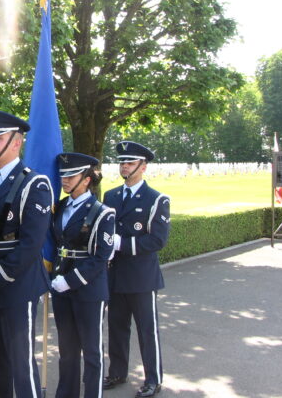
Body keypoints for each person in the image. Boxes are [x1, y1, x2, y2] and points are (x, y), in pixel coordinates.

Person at [0, 110, 53, 398]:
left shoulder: (35, 184)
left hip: (17, 284)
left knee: (21, 362)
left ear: (16, 143)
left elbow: (31, 246)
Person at [102, 141, 170, 398]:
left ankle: (153, 379)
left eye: (130, 163)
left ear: (143, 167)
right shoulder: (111, 196)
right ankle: (118, 372)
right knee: (117, 328)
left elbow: (157, 240)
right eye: (122, 162)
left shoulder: (156, 200)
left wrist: (122, 243)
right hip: (116, 275)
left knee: (147, 330)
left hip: (142, 277)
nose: (124, 167)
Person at [50, 153, 115, 398]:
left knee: (91, 350)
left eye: (71, 175)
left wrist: (71, 280)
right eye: (63, 175)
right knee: (66, 350)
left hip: (88, 290)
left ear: (87, 179)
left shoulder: (102, 213)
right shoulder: (60, 207)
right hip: (60, 288)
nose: (64, 180)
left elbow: (102, 256)